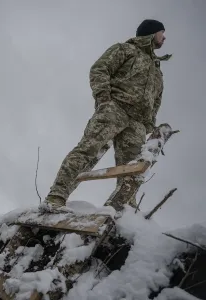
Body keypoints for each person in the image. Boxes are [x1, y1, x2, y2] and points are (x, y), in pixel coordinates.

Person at [43, 19, 172, 210]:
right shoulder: (125, 49)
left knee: (132, 169)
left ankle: (125, 211)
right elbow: (100, 69)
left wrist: (149, 124)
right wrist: (104, 100)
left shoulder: (157, 70)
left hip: (137, 123)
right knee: (88, 150)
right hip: (115, 109)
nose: (165, 37)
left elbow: (157, 100)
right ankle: (56, 197)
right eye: (162, 32)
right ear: (152, 33)